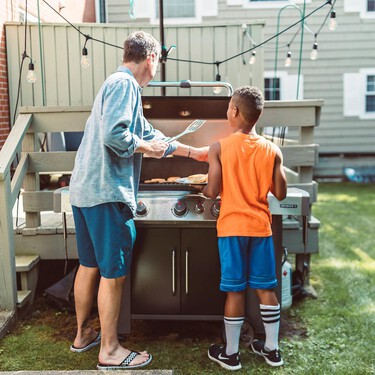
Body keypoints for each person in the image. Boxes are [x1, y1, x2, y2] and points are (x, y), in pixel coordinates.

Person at [68, 31, 208, 370]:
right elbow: (115, 135)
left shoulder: (118, 85)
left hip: (85, 192)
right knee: (113, 274)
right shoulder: (125, 85)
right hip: (107, 192)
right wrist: (147, 148)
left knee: (90, 265)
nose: (158, 66)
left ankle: (84, 335)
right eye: (159, 61)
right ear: (151, 59)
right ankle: (110, 350)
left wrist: (193, 152)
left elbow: (147, 133)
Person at [202, 86, 287, 371]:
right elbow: (281, 192)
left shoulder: (219, 147)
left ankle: (231, 354)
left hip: (232, 228)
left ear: (235, 111)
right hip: (261, 227)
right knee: (266, 288)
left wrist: (204, 185)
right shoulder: (272, 149)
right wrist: (277, 161)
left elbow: (212, 191)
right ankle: (272, 349)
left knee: (235, 291)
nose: (228, 110)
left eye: (228, 106)